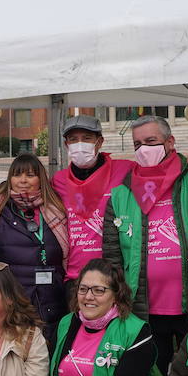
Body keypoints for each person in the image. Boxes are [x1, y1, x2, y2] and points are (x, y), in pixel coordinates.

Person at [101, 115, 188, 376]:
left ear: (170, 142)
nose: (144, 149)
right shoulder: (121, 193)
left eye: (151, 141)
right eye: (137, 144)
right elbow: (112, 256)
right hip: (145, 308)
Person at [0, 153, 70, 325]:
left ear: (40, 179)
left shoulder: (56, 209)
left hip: (51, 301)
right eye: (17, 174)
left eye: (30, 175)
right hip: (10, 302)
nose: (23, 180)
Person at [52, 115, 135, 289]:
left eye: (87, 138)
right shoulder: (58, 180)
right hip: (74, 277)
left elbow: (157, 171)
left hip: (112, 275)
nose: (79, 144)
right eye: (73, 139)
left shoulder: (124, 169)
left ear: (100, 141)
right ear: (66, 144)